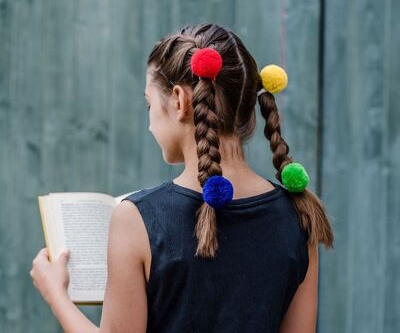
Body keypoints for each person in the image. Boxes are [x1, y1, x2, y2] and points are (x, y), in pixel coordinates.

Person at [30, 22, 334, 332]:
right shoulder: (300, 214)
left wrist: (56, 295)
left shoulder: (136, 220)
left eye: (150, 104)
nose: (150, 123)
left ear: (178, 100)